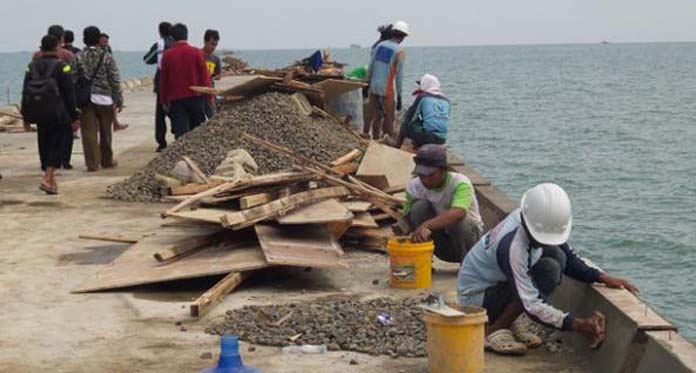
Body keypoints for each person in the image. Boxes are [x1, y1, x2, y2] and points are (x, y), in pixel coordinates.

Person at [457, 183, 638, 355]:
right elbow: (531, 303)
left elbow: (569, 257)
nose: (543, 242)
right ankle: (493, 331)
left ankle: (506, 321)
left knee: (557, 255)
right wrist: (576, 324)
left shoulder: (534, 218)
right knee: (549, 269)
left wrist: (601, 277)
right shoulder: (513, 247)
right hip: (476, 299)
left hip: (496, 284)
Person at [400, 144, 484, 263]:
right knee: (418, 207)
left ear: (443, 170)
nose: (425, 180)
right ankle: (424, 261)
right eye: (421, 176)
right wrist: (403, 229)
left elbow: (458, 212)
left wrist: (426, 225)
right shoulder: (414, 186)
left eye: (431, 175)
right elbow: (407, 216)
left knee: (459, 220)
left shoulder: (460, 183)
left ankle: (469, 266)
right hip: (442, 245)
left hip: (469, 244)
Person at [21, 35, 79, 194]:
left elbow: (25, 91)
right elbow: (69, 93)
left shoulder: (30, 66)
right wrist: (74, 117)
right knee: (57, 145)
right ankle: (47, 177)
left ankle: (51, 182)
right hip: (58, 113)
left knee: (44, 143)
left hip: (38, 112)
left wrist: (26, 117)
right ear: (57, 47)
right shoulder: (62, 66)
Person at [76, 26, 123, 171]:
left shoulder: (77, 57)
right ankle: (107, 160)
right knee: (105, 130)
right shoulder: (107, 56)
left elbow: (72, 77)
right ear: (98, 40)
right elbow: (114, 78)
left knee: (88, 131)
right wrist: (119, 98)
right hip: (104, 98)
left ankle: (92, 163)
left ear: (84, 39)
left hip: (86, 98)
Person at [33, 25, 79, 170]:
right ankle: (63, 160)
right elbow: (74, 78)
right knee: (64, 132)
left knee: (43, 133)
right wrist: (74, 113)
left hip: (40, 99)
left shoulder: (36, 56)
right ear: (61, 38)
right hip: (62, 100)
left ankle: (44, 162)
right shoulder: (67, 56)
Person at [159, 23, 211, 139]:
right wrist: (209, 97)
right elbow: (205, 76)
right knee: (197, 131)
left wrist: (164, 100)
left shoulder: (167, 55)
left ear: (172, 38)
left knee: (180, 132)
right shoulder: (196, 52)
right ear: (187, 35)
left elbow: (164, 80)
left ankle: (181, 155)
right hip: (196, 97)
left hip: (177, 100)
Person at [365, 20, 409, 140]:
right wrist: (399, 96)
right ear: (403, 37)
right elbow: (399, 76)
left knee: (371, 113)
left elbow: (371, 66)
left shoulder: (379, 46)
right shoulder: (400, 51)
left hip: (374, 85)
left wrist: (366, 84)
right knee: (389, 116)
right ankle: (387, 139)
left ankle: (367, 136)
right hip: (386, 88)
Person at [388, 74, 449, 149]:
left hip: (428, 137)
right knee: (424, 122)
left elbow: (411, 117)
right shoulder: (446, 100)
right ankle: (418, 143)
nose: (420, 87)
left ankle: (397, 144)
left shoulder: (423, 97)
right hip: (442, 138)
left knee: (407, 121)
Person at [144, 22, 174, 152]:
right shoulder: (176, 43)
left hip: (162, 82)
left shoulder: (160, 45)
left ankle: (161, 143)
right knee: (176, 112)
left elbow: (147, 59)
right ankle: (179, 135)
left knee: (160, 114)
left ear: (160, 32)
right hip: (176, 82)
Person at [202, 29, 222, 119]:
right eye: (211, 44)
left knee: (212, 117)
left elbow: (218, 74)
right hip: (198, 93)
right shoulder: (197, 55)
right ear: (205, 41)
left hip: (210, 92)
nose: (213, 47)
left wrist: (216, 76)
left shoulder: (215, 59)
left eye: (215, 45)